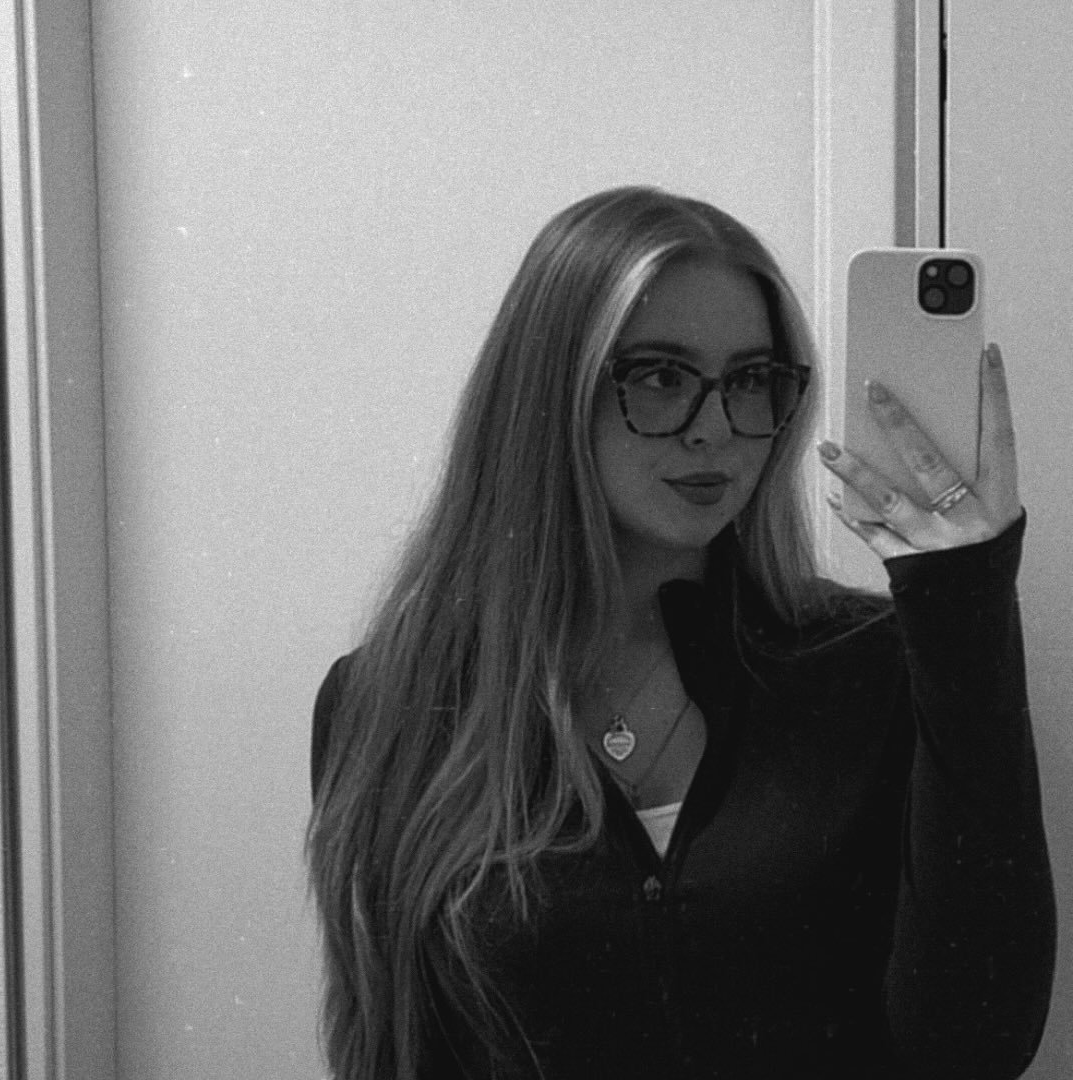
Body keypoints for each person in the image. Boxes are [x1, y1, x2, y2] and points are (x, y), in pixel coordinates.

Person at [306, 187, 1056, 1080]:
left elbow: (974, 1041)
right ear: (552, 392)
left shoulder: (868, 666)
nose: (716, 430)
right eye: (661, 377)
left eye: (751, 380)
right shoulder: (393, 703)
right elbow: (393, 1047)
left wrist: (965, 608)